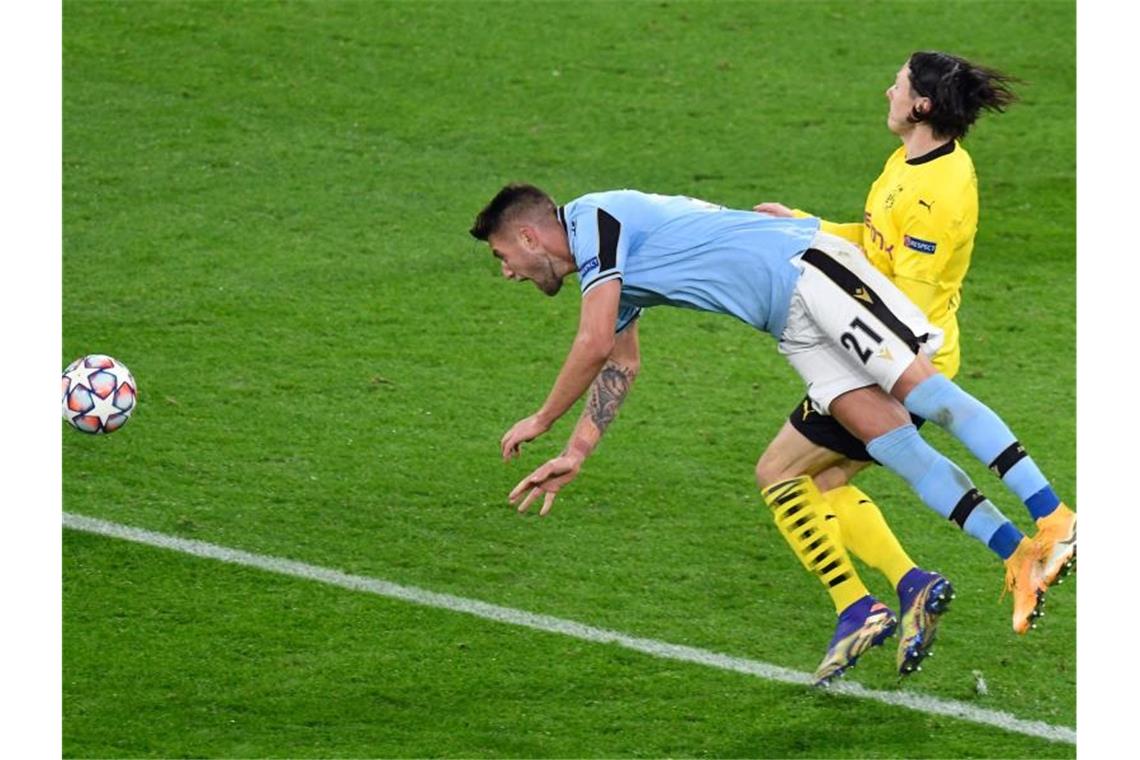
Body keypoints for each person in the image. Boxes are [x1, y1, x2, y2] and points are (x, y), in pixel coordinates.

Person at [468, 183, 1075, 686]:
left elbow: (594, 342)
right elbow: (621, 362)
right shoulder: (607, 271)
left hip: (811, 272)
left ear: (527, 236)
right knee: (894, 443)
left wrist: (542, 419)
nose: (506, 273)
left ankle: (1054, 518)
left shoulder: (595, 219)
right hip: (791, 325)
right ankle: (1018, 557)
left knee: (929, 398)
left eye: (503, 256)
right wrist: (576, 450)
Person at [746, 51, 1075, 685]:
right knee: (826, 484)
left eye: (897, 85)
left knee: (783, 474)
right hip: (877, 342)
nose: (887, 91)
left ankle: (871, 601)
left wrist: (852, 372)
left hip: (896, 356)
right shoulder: (911, 161)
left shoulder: (935, 195)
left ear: (921, 106)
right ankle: (956, 574)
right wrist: (806, 228)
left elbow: (911, 311)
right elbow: (874, 247)